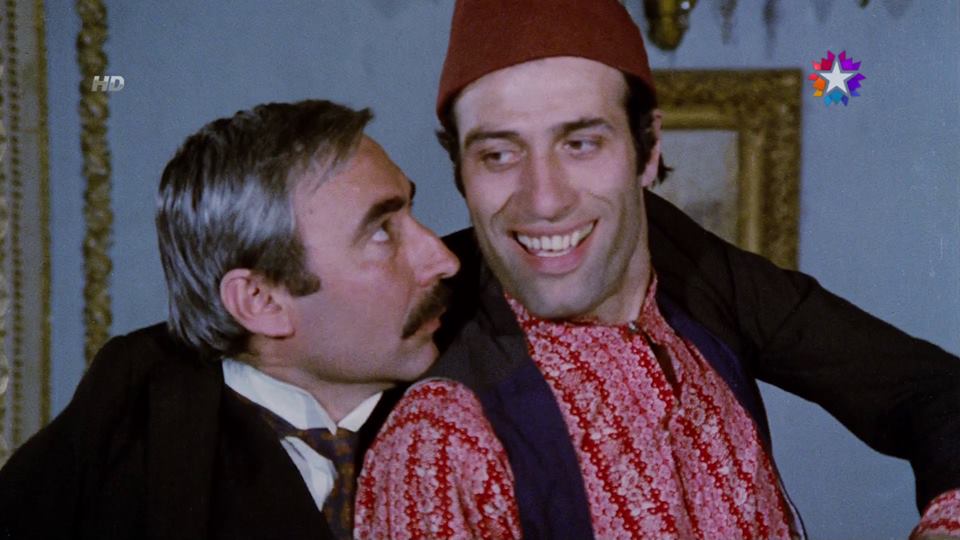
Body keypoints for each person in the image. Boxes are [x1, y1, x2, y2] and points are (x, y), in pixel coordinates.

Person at [354, 1, 960, 539]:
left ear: (648, 151)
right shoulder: (439, 443)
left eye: (580, 143)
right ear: (461, 174)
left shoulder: (672, 251)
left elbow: (931, 392)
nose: (544, 199)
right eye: (498, 153)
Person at [0, 99, 459, 539]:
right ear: (261, 302)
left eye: (411, 211)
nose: (443, 259)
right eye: (381, 232)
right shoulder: (133, 423)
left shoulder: (477, 330)